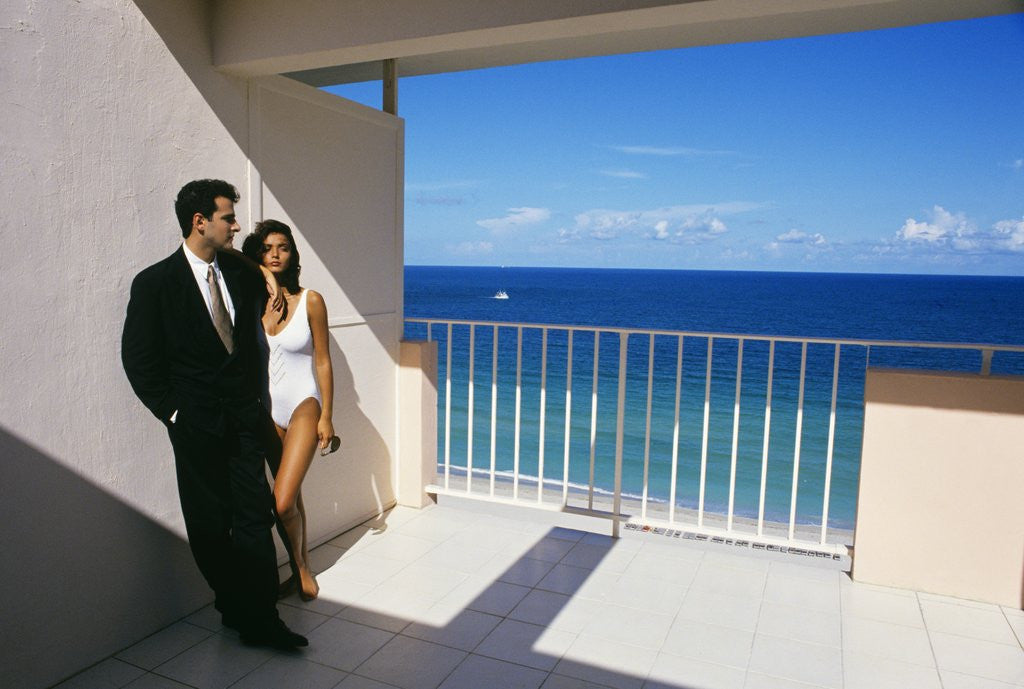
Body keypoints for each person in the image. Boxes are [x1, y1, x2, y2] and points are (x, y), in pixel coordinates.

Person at [121, 179, 308, 649]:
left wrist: (266, 276)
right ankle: (233, 605)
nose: (236, 225)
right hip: (195, 426)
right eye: (228, 217)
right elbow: (139, 361)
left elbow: (254, 282)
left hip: (244, 423)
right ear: (199, 221)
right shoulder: (155, 284)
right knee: (207, 526)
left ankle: (264, 619)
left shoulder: (240, 273)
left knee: (253, 517)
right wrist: (175, 413)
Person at [242, 219, 336, 602]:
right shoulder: (253, 303)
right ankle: (300, 565)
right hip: (267, 410)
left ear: (293, 253)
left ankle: (301, 567)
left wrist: (327, 414)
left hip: (304, 404)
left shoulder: (310, 300)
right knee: (291, 499)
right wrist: (263, 275)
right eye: (268, 249)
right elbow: (227, 254)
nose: (276, 254)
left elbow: (324, 362)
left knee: (281, 500)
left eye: (283, 247)